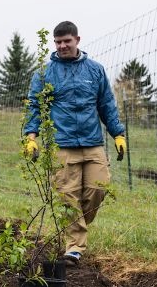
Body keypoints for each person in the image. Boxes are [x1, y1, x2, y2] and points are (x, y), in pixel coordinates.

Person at [23, 21, 125, 266]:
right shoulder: (44, 73)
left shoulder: (95, 70)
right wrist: (31, 137)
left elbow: (106, 105)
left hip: (92, 143)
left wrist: (118, 133)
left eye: (66, 41)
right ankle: (74, 248)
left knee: (97, 190)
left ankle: (73, 229)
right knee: (68, 196)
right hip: (62, 145)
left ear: (77, 40)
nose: (62, 46)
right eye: (58, 42)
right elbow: (35, 106)